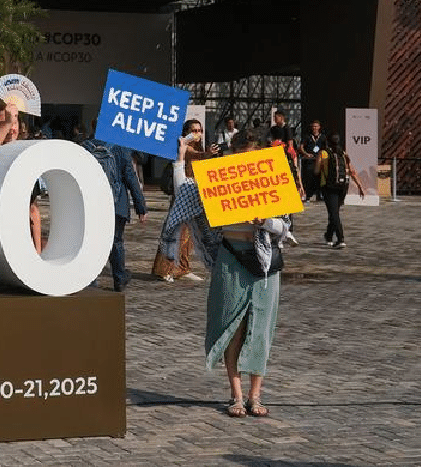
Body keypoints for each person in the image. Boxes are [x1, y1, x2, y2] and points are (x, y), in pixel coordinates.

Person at [160, 129, 290, 418]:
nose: (243, 162)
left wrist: (264, 221)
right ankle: (236, 394)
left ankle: (255, 395)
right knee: (232, 326)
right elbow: (185, 194)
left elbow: (285, 227)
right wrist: (179, 159)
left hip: (265, 264)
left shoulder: (269, 177)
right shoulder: (221, 178)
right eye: (238, 156)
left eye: (249, 156)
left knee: (261, 328)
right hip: (230, 257)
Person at [81, 124, 147, 292]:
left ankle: (91, 279)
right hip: (117, 202)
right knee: (116, 240)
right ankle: (119, 278)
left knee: (92, 240)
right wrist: (140, 207)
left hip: (93, 203)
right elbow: (130, 177)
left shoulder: (84, 146)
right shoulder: (120, 147)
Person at [152, 119, 211, 283]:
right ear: (186, 132)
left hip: (194, 196)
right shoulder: (183, 147)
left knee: (189, 235)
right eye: (194, 131)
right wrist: (206, 154)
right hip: (181, 196)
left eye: (200, 131)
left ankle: (183, 268)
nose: (198, 134)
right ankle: (164, 269)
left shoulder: (199, 148)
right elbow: (194, 155)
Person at [315, 133, 365, 249]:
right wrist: (359, 186)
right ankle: (328, 236)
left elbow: (316, 171)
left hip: (329, 187)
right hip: (342, 187)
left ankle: (340, 239)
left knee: (334, 214)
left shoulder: (323, 153)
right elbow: (351, 171)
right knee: (334, 212)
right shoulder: (343, 154)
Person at [299, 120, 325, 202]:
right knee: (309, 178)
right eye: (313, 126)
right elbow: (301, 147)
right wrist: (306, 154)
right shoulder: (307, 137)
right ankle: (308, 195)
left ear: (319, 127)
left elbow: (326, 148)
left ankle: (319, 195)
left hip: (319, 160)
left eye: (316, 126)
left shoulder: (323, 137)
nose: (315, 128)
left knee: (319, 177)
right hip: (309, 161)